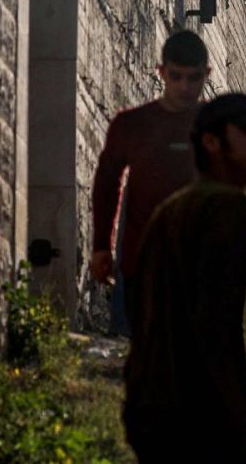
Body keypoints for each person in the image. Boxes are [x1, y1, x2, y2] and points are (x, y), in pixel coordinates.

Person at [122, 92, 246, 463]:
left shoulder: (172, 209)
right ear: (211, 142)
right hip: (201, 419)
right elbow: (219, 330)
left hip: (152, 410)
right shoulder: (229, 208)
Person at [90, 30, 208, 336]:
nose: (184, 87)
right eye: (176, 76)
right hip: (140, 264)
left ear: (206, 75)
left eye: (193, 78)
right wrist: (102, 245)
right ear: (161, 73)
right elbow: (106, 184)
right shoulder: (132, 125)